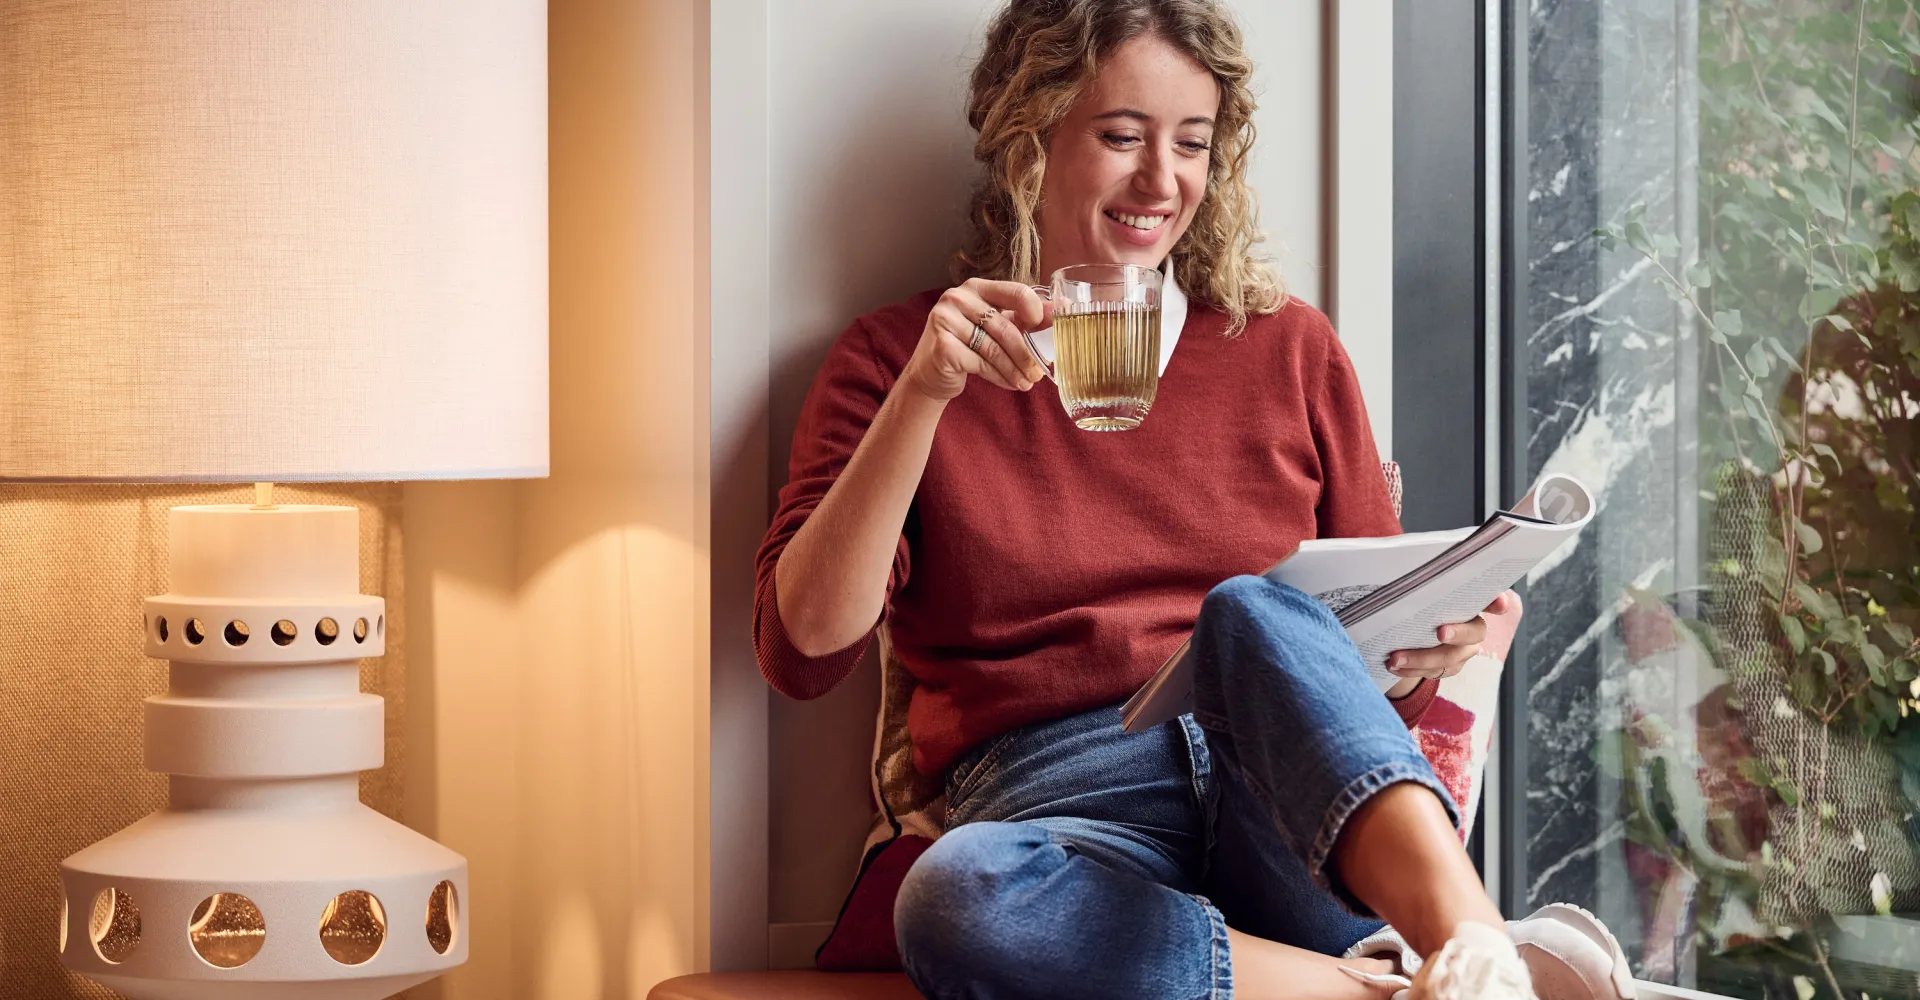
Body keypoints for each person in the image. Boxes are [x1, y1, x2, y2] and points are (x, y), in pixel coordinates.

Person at [753, 2, 1633, 998]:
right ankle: (1398, 987)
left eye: (1192, 143)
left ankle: (1479, 947)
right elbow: (805, 649)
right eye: (1122, 135)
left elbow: (1371, 683)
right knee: (951, 895)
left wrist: (1427, 649)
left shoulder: (1290, 347)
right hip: (1072, 818)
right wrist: (925, 396)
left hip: (1294, 808)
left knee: (1250, 611)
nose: (1160, 181)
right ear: (1027, 137)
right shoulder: (900, 362)